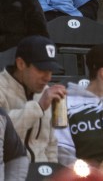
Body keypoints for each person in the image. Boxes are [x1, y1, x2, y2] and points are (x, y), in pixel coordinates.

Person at [0, 35, 64, 163]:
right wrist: (38, 107)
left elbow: (51, 145)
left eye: (51, 70)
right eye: (42, 70)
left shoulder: (45, 92)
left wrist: (52, 173)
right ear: (21, 64)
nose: (48, 77)